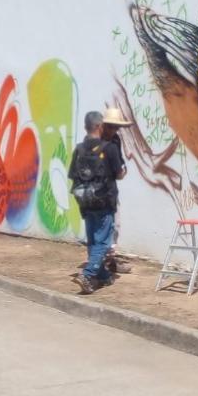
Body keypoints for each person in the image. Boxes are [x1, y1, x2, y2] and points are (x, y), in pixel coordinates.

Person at [68, 110, 126, 294]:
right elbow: (119, 173)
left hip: (85, 202)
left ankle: (102, 275)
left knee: (93, 240)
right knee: (103, 242)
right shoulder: (109, 148)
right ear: (100, 126)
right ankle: (87, 274)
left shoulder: (79, 149)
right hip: (104, 201)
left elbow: (73, 175)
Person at [100, 107, 133, 275]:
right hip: (97, 191)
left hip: (111, 189)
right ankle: (99, 264)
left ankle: (109, 261)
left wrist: (121, 171)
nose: (114, 130)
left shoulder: (115, 141)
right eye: (111, 126)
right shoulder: (95, 141)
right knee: (100, 226)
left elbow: (119, 164)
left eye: (117, 127)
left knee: (115, 224)